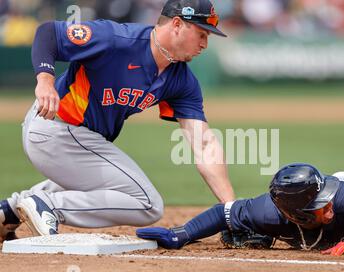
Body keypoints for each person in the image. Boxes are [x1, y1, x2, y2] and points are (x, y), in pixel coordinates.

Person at [0, 0, 235, 242]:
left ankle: (9, 211)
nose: (205, 44)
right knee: (148, 203)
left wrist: (231, 210)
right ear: (177, 24)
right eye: (201, 34)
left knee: (108, 182)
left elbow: (204, 144)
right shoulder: (116, 39)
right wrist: (45, 81)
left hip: (78, 142)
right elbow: (48, 32)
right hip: (56, 127)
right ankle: (47, 204)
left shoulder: (182, 81)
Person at [136, 163, 344, 256]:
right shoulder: (267, 211)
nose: (328, 208)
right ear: (294, 213)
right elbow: (224, 213)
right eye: (318, 207)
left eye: (326, 202)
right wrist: (181, 235)